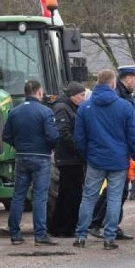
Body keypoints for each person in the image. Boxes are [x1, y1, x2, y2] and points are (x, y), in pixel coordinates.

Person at [73, 69, 135, 250]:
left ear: (97, 82)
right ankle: (109, 237)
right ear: (113, 84)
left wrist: (87, 155)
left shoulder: (85, 107)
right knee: (114, 198)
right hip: (118, 160)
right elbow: (133, 137)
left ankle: (81, 235)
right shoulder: (125, 106)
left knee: (88, 197)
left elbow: (79, 138)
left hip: (95, 159)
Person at [3, 79, 60, 246]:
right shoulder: (45, 111)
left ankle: (15, 234)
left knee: (18, 196)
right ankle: (40, 235)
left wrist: (19, 145)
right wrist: (51, 146)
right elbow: (52, 136)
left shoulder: (14, 111)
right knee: (40, 197)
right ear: (39, 92)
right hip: (41, 157)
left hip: (21, 156)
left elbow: (6, 136)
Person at [88, 64, 135, 240]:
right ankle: (98, 223)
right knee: (115, 192)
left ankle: (109, 224)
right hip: (116, 152)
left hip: (115, 151)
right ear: (128, 79)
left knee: (118, 191)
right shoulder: (118, 97)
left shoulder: (122, 95)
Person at [47, 82, 87, 238]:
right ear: (73, 95)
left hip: (71, 158)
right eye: (81, 95)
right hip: (69, 158)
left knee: (67, 193)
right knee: (71, 194)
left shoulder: (69, 107)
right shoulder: (62, 108)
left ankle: (60, 226)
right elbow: (63, 134)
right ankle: (65, 227)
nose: (83, 98)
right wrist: (79, 150)